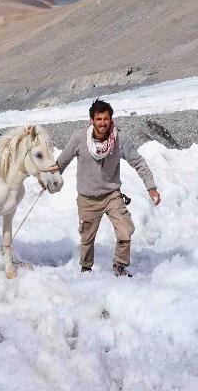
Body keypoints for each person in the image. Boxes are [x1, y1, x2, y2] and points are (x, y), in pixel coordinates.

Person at [56, 99, 161, 277]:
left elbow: (138, 163)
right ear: (92, 120)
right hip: (87, 198)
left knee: (125, 231)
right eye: (99, 119)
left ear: (111, 120)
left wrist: (151, 187)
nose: (102, 123)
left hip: (112, 195)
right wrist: (48, 179)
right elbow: (61, 162)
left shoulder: (120, 139)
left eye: (106, 119)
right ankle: (86, 268)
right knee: (87, 238)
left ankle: (120, 266)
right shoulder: (79, 138)